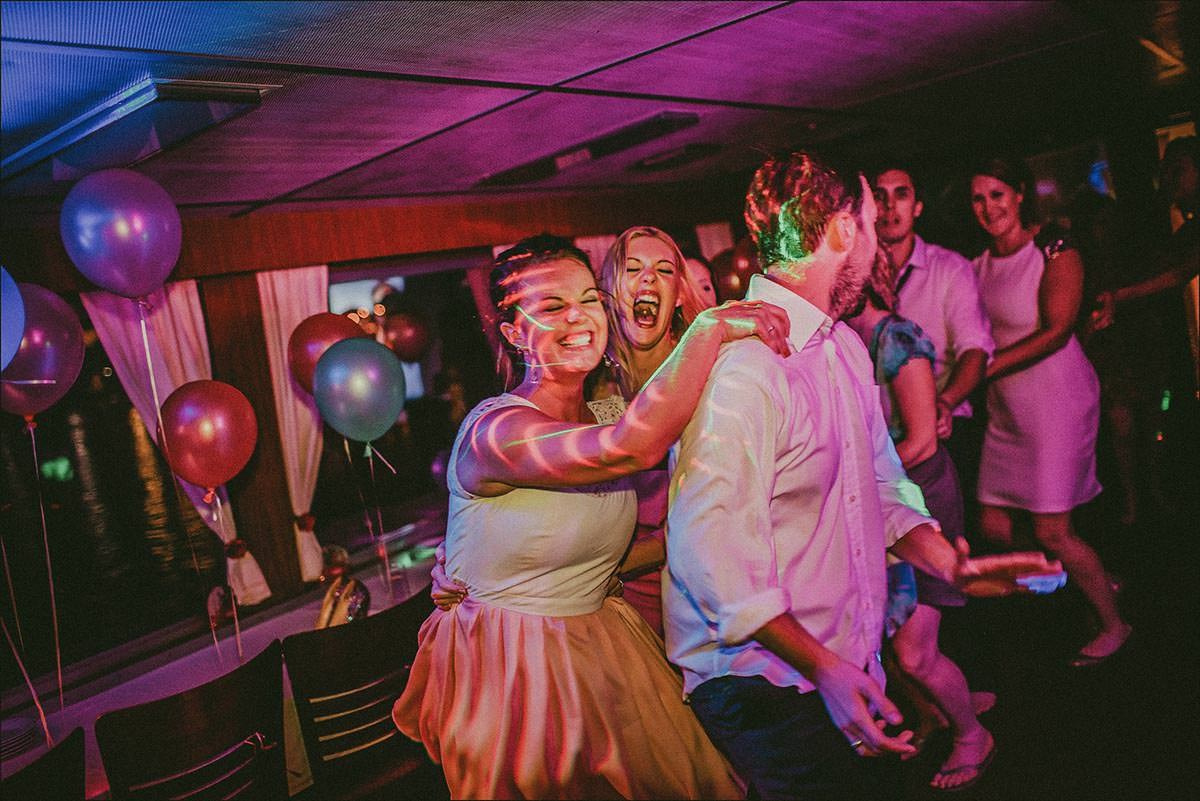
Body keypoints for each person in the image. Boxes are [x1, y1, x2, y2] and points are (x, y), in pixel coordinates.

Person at [663, 152, 1066, 799]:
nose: (878, 242)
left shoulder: (843, 347)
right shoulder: (745, 369)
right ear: (844, 230)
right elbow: (708, 552)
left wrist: (952, 565)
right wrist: (822, 666)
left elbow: (880, 485)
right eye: (873, 223)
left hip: (827, 660)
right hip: (763, 678)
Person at [393, 234, 791, 799]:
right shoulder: (496, 433)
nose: (579, 317)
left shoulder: (607, 409)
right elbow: (631, 448)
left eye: (588, 300)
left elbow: (620, 542)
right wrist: (708, 329)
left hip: (603, 639)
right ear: (513, 333)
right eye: (553, 306)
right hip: (516, 665)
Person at [969, 154, 1132, 666]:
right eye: (978, 198)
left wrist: (982, 369)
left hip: (1058, 401)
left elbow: (1057, 330)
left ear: (1020, 194)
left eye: (997, 194)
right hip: (1008, 409)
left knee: (1051, 530)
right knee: (993, 522)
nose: (988, 207)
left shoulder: (1054, 248)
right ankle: (1088, 574)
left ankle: (1114, 623)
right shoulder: (977, 266)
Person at [847, 255, 995, 791]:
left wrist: (851, 483)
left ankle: (972, 735)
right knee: (891, 638)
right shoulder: (851, 342)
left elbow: (923, 441)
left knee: (913, 652)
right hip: (888, 502)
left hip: (922, 500)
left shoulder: (898, 337)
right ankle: (938, 711)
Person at [587, 227, 716, 636]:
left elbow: (706, 513)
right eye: (633, 269)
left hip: (702, 586)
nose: (648, 278)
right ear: (611, 290)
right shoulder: (592, 387)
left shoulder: (705, 375)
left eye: (663, 270)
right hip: (623, 600)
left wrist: (586, 572)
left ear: (678, 293)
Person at [871, 164, 994, 531]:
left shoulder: (950, 268)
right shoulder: (856, 276)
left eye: (901, 195)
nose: (890, 207)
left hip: (941, 429)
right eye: (880, 196)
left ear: (918, 206)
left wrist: (945, 402)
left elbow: (975, 350)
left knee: (946, 538)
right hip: (879, 439)